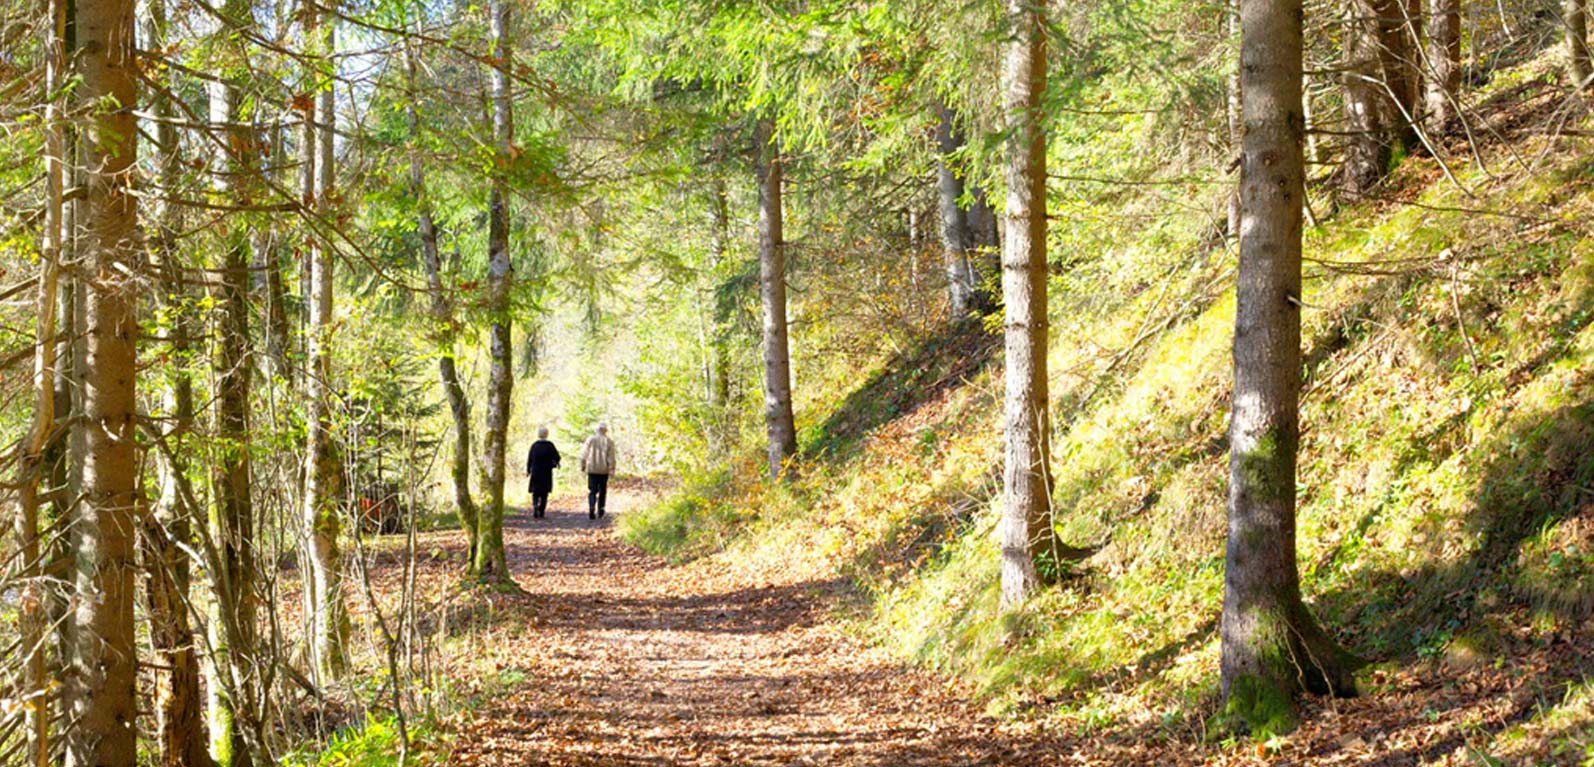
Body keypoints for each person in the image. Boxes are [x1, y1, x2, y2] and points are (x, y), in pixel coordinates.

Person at [579, 422, 617, 520]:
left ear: (596, 430)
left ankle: (591, 506)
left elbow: (583, 454)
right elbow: (611, 457)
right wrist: (612, 468)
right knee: (602, 491)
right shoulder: (609, 441)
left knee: (592, 490)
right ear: (606, 431)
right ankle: (601, 510)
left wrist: (582, 465)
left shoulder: (590, 440)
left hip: (592, 469)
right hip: (603, 470)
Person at [526, 427, 561, 519]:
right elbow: (557, 457)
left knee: (535, 491)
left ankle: (535, 506)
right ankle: (541, 510)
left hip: (536, 472)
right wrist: (554, 463)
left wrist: (528, 470)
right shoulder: (550, 445)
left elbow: (529, 459)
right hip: (546, 472)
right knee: (544, 493)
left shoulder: (534, 446)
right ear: (547, 434)